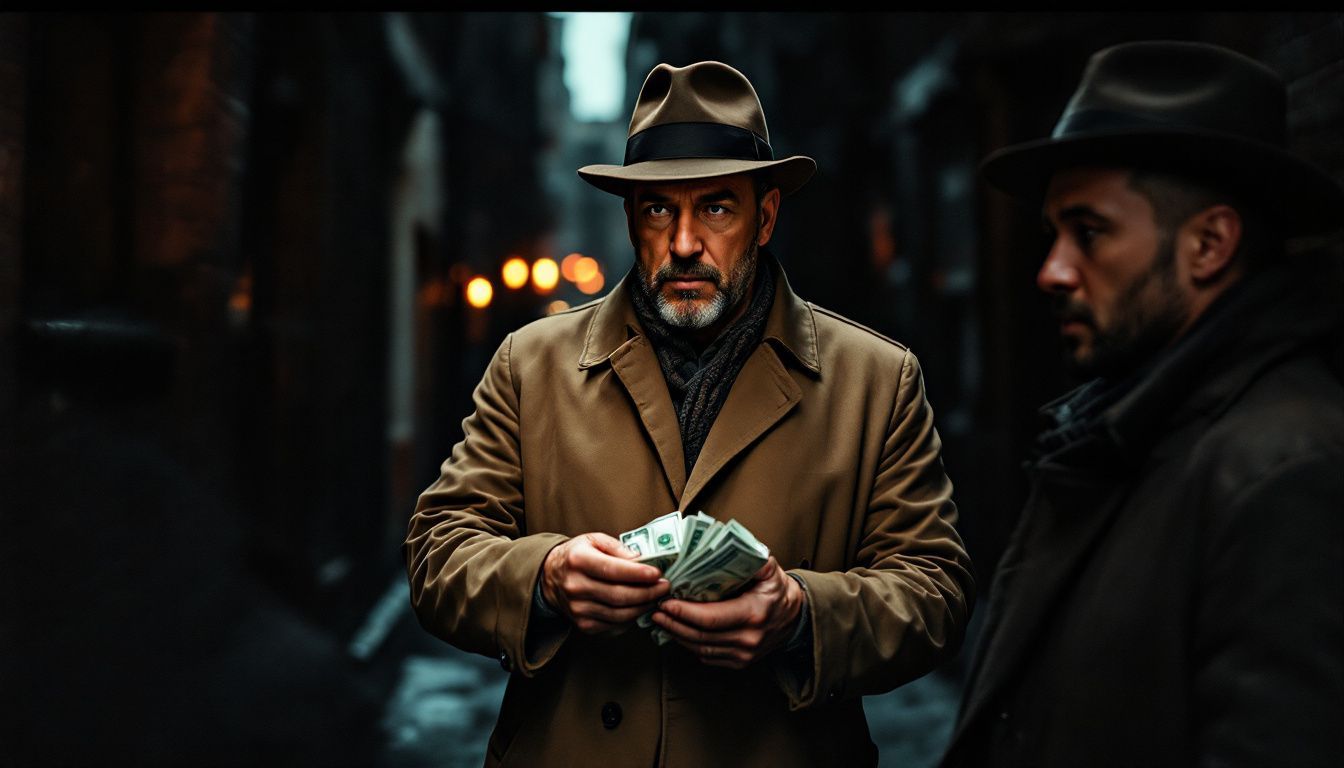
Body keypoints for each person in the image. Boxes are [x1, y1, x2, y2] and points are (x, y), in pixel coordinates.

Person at [405, 61, 974, 767]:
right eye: (657, 210)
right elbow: (438, 552)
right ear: (630, 220)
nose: (682, 244)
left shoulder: (877, 380)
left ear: (764, 217)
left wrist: (801, 615)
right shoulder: (531, 364)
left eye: (715, 207)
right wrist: (544, 576)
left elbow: (935, 591)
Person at [943, 41, 1344, 767]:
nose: (1052, 271)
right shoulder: (1131, 430)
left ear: (1209, 244)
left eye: (1089, 232)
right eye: (1052, 234)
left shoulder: (1283, 468)